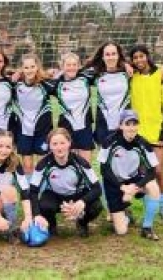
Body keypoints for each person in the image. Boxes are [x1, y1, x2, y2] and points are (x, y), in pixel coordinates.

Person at [98, 109, 160, 240]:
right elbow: (104, 170)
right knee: (121, 231)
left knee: (154, 188)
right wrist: (122, 187)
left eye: (134, 124)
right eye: (128, 124)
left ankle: (147, 227)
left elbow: (152, 171)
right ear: (121, 126)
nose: (131, 127)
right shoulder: (109, 142)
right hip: (114, 182)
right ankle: (120, 212)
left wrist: (135, 187)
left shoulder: (143, 143)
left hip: (134, 179)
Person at [30, 128, 102, 238]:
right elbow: (33, 191)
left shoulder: (80, 162)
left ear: (69, 143)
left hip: (77, 195)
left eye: (62, 143)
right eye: (55, 144)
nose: (59, 147)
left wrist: (81, 202)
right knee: (44, 206)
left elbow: (97, 188)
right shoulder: (43, 164)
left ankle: (82, 223)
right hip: (56, 196)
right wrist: (37, 215)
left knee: (96, 206)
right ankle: (51, 226)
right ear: (50, 146)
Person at [129, 45, 163, 218]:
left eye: (141, 56)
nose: (139, 60)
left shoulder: (160, 73)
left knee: (159, 171)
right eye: (135, 58)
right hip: (138, 132)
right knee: (143, 173)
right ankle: (149, 206)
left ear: (148, 56)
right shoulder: (131, 76)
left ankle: (162, 205)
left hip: (158, 129)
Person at [14, 53, 55, 180]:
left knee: (42, 165)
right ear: (21, 69)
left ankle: (41, 193)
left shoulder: (46, 85)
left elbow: (64, 86)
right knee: (27, 166)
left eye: (32, 66)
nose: (29, 70)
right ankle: (30, 194)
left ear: (37, 67)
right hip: (23, 131)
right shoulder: (15, 85)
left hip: (42, 131)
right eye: (26, 67)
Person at [85, 41, 130, 146]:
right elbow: (74, 73)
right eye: (107, 54)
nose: (111, 57)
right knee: (105, 158)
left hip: (125, 123)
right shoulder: (95, 74)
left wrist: (127, 64)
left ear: (119, 55)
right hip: (103, 123)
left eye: (114, 54)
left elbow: (149, 69)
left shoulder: (128, 72)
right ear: (102, 57)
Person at [54, 52, 94, 163]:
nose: (71, 67)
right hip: (66, 127)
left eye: (74, 64)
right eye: (68, 65)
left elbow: (103, 67)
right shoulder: (56, 83)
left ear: (78, 66)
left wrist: (125, 65)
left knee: (86, 164)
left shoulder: (86, 78)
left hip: (85, 127)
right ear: (62, 67)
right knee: (69, 163)